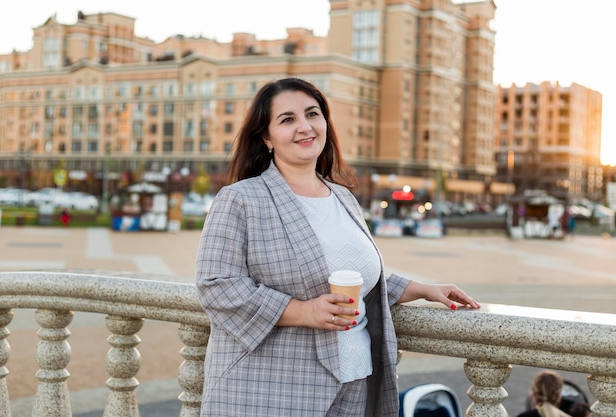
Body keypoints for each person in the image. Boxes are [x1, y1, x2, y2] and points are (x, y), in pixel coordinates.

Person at [195, 78, 481, 417]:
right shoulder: (241, 199)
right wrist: (303, 312)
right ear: (266, 138)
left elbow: (345, 277)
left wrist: (422, 289)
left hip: (355, 383)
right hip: (273, 389)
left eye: (312, 114)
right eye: (287, 119)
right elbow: (216, 287)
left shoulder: (343, 197)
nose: (305, 127)